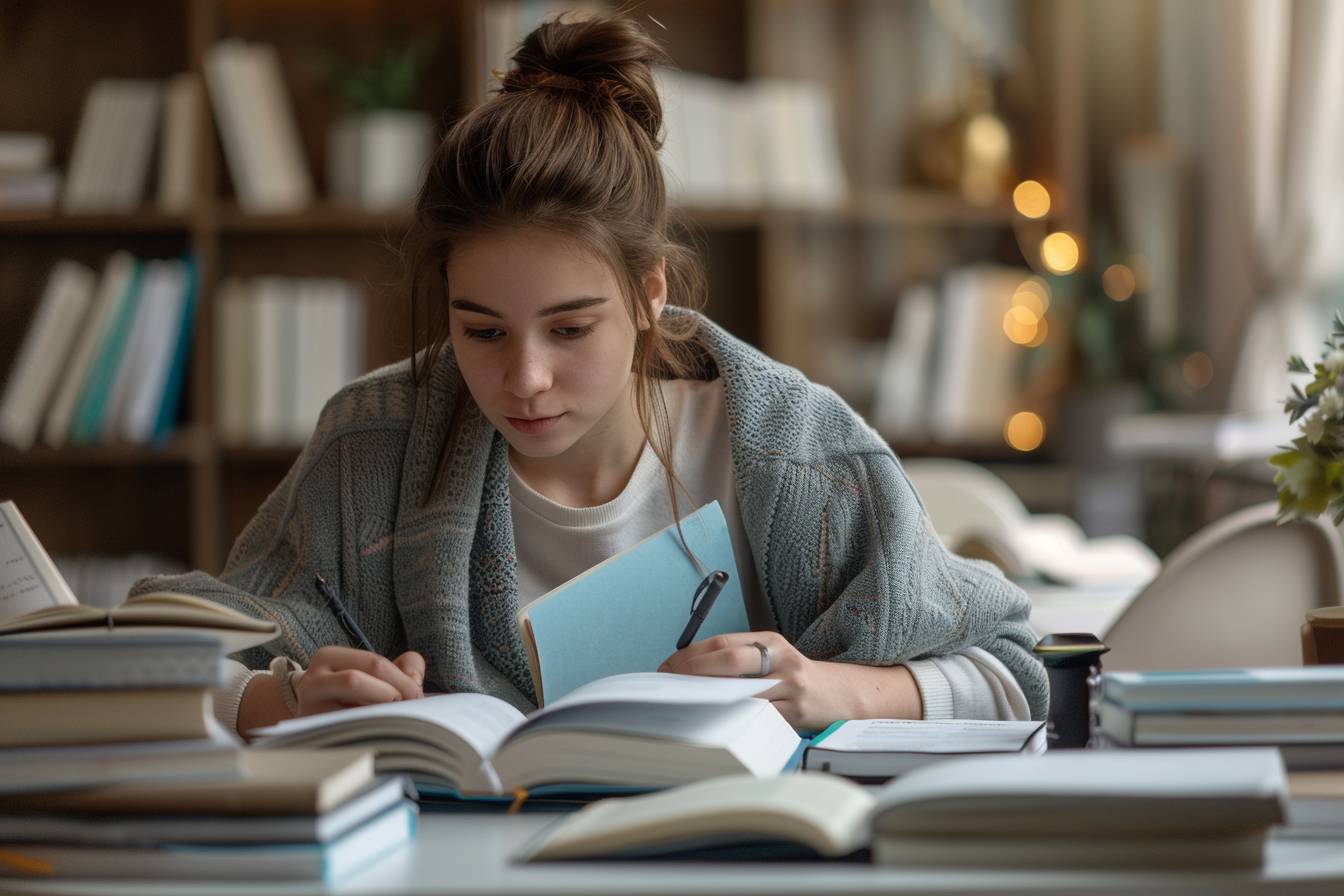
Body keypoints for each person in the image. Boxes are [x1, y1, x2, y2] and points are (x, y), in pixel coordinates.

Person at [132, 14, 1046, 737]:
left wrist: (833, 689)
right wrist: (279, 701)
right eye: (480, 331)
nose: (525, 378)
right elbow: (157, 663)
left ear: (650, 293)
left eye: (570, 328)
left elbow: (1019, 668)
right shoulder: (375, 446)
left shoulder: (793, 452)